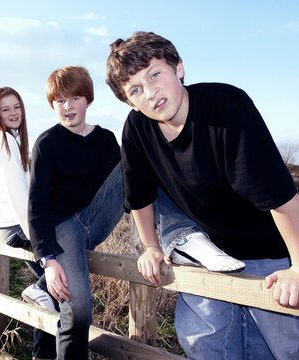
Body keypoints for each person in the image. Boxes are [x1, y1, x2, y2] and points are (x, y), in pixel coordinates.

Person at [106, 31, 299, 359]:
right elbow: (139, 195)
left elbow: (279, 195)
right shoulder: (137, 128)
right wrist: (151, 247)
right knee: (208, 346)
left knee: (281, 349)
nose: (150, 93)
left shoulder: (226, 107)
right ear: (128, 101)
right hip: (210, 253)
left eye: (155, 75)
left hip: (269, 247)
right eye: (135, 89)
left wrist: (297, 266)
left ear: (178, 68)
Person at [28, 65, 211, 359]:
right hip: (62, 229)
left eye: (74, 98)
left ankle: (181, 234)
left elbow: (130, 186)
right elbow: (36, 205)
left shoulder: (105, 140)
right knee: (78, 312)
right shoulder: (47, 143)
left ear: (88, 99)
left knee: (134, 161)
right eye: (60, 101)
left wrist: (147, 237)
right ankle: (46, 297)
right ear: (52, 105)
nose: (68, 107)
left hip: (95, 218)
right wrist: (48, 261)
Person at [0, 86, 57, 360]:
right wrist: (41, 244)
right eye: (6, 109)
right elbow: (18, 196)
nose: (13, 113)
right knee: (55, 283)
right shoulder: (4, 142)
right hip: (16, 225)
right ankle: (43, 353)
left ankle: (43, 354)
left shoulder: (5, 140)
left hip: (8, 225)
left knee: (55, 293)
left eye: (17, 107)